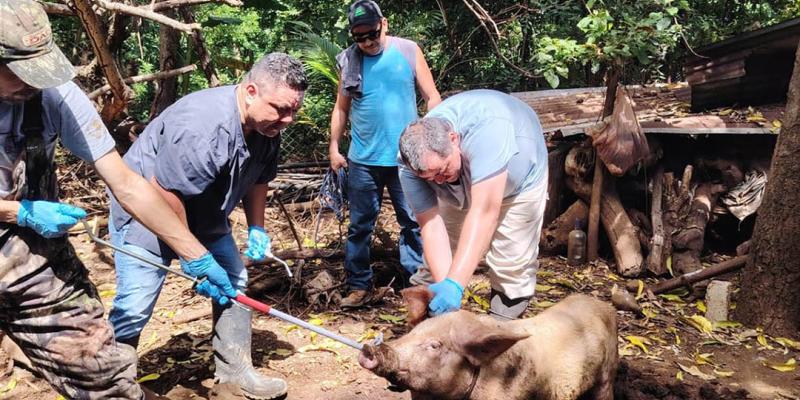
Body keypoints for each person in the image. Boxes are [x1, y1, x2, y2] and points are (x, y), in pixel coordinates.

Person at [0, 0, 237, 399]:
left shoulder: (54, 95)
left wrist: (195, 254)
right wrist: (18, 211)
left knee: (105, 377)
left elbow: (126, 183)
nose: (33, 83)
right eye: (21, 73)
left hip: (35, 270)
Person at [107, 52, 306, 400]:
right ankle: (112, 385)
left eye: (293, 111)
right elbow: (164, 193)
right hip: (146, 211)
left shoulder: (267, 127)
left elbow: (259, 178)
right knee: (135, 304)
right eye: (280, 109)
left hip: (205, 213)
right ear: (250, 91)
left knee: (234, 281)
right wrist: (194, 257)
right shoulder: (202, 125)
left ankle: (235, 375)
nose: (288, 119)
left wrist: (257, 228)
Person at [397, 89, 549, 321]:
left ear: (453, 139)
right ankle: (432, 331)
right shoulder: (408, 168)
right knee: (435, 270)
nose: (438, 181)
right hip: (461, 187)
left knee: (511, 263)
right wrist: (445, 286)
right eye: (429, 178)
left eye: (441, 170)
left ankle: (500, 328)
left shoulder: (488, 130)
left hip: (519, 182)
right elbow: (432, 227)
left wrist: (455, 285)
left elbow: (485, 212)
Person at [329, 0, 441, 308]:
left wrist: (434, 138)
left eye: (371, 34)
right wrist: (334, 147)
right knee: (360, 225)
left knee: (415, 221)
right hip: (363, 159)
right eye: (359, 37)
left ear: (384, 24)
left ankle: (417, 287)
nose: (366, 42)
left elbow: (431, 96)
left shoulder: (407, 51)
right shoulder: (348, 60)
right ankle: (359, 285)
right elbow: (341, 107)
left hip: (406, 158)